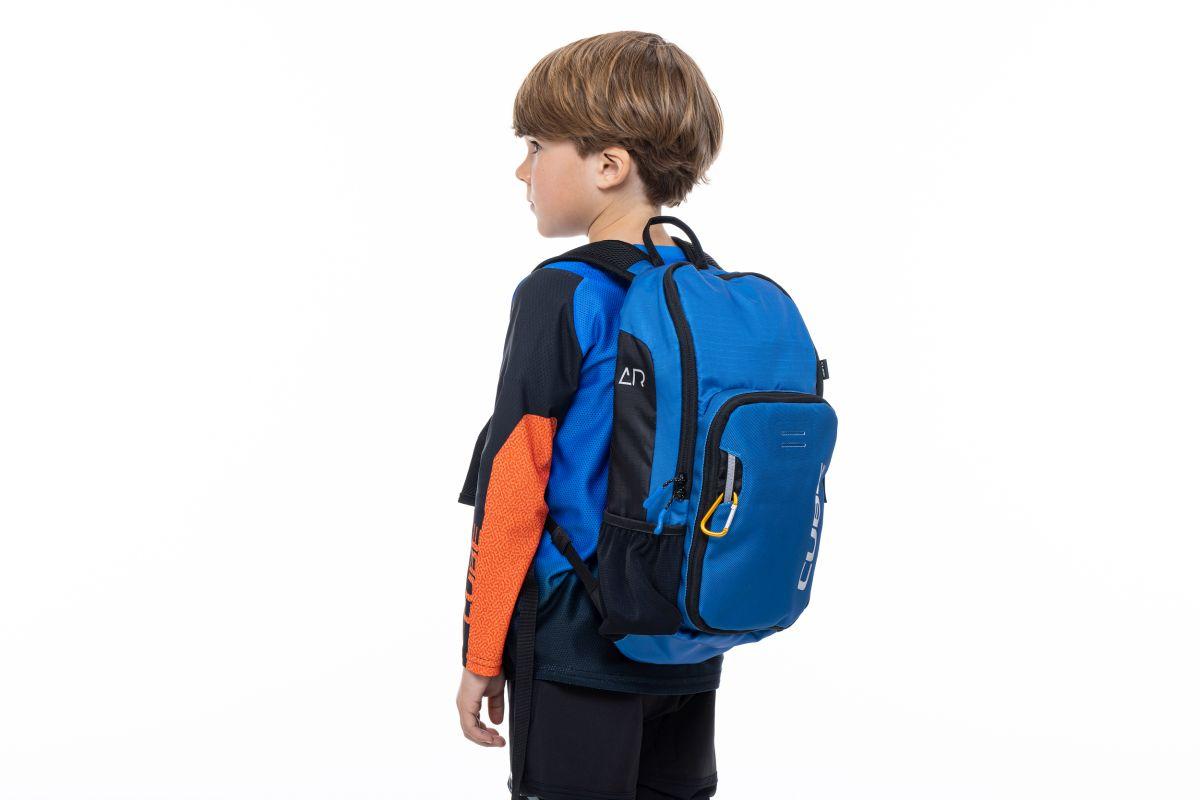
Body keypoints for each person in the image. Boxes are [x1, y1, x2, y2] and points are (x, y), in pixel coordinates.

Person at [455, 31, 725, 800]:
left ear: (608, 165)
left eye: (536, 145)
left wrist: (481, 654)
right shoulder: (707, 288)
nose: (523, 169)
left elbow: (516, 485)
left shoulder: (563, 291)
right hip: (690, 634)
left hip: (578, 640)